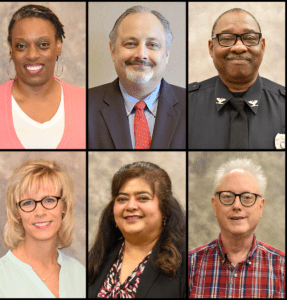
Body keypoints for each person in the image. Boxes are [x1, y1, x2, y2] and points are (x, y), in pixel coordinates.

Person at [0, 4, 86, 149]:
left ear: (58, 46)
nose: (32, 55)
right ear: (11, 48)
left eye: (43, 44)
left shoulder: (87, 103)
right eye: (21, 46)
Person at [89, 6, 186, 149]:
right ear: (113, 50)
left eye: (152, 45)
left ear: (166, 54)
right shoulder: (85, 105)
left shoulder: (194, 105)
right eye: (130, 44)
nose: (141, 54)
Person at [189, 8, 285, 149]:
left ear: (262, 46)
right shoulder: (185, 105)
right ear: (211, 48)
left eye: (250, 38)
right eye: (227, 39)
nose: (239, 47)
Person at [188, 158, 285, 298]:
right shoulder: (189, 265)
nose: (237, 205)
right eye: (227, 197)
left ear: (261, 206)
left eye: (247, 197)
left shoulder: (281, 268)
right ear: (215, 206)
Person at [0, 160, 86, 298]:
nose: (40, 212)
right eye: (28, 202)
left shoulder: (79, 273)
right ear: (17, 212)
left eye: (49, 200)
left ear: (64, 206)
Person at [88, 161, 186, 298]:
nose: (131, 206)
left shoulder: (187, 262)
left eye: (143, 198)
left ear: (164, 209)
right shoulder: (96, 260)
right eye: (122, 199)